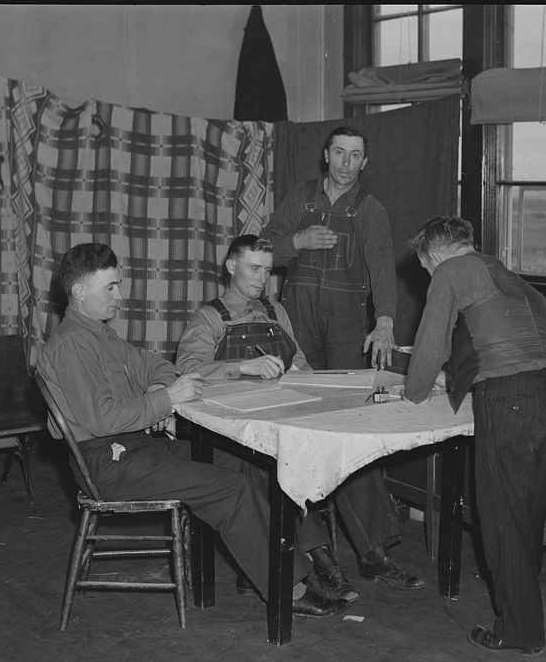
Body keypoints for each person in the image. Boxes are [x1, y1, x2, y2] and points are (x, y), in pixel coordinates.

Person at [36, 242, 348, 620]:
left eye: (119, 284)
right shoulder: (71, 343)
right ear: (79, 291)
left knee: (250, 461)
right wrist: (166, 399)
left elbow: (158, 366)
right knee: (232, 489)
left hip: (137, 448)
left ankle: (264, 569)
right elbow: (101, 419)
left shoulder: (102, 335)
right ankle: (289, 589)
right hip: (108, 462)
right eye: (110, 287)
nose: (119, 295)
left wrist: (158, 387)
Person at [261, 125, 424, 592]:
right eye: (339, 153)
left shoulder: (370, 210)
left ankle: (373, 551)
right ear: (326, 155)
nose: (346, 163)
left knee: (349, 433)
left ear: (364, 162)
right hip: (298, 321)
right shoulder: (302, 197)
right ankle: (308, 549)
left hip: (348, 328)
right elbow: (262, 249)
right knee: (293, 429)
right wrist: (297, 243)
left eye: (355, 155)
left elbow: (382, 270)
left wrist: (386, 320)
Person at [401, 216, 546, 656]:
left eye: (425, 268)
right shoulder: (508, 275)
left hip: (508, 401)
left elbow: (431, 345)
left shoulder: (450, 272)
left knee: (501, 521)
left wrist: (414, 391)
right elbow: (498, 334)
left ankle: (519, 632)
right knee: (526, 519)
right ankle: (521, 617)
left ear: (433, 255)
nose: (429, 276)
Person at [175, 234, 358, 603]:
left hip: (280, 416)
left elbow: (301, 366)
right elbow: (187, 369)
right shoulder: (210, 317)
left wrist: (316, 390)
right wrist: (242, 366)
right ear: (231, 267)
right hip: (230, 430)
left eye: (267, 270)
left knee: (346, 444)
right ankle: (319, 559)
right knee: (276, 465)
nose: (262, 279)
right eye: (254, 269)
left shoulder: (276, 313)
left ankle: (364, 556)